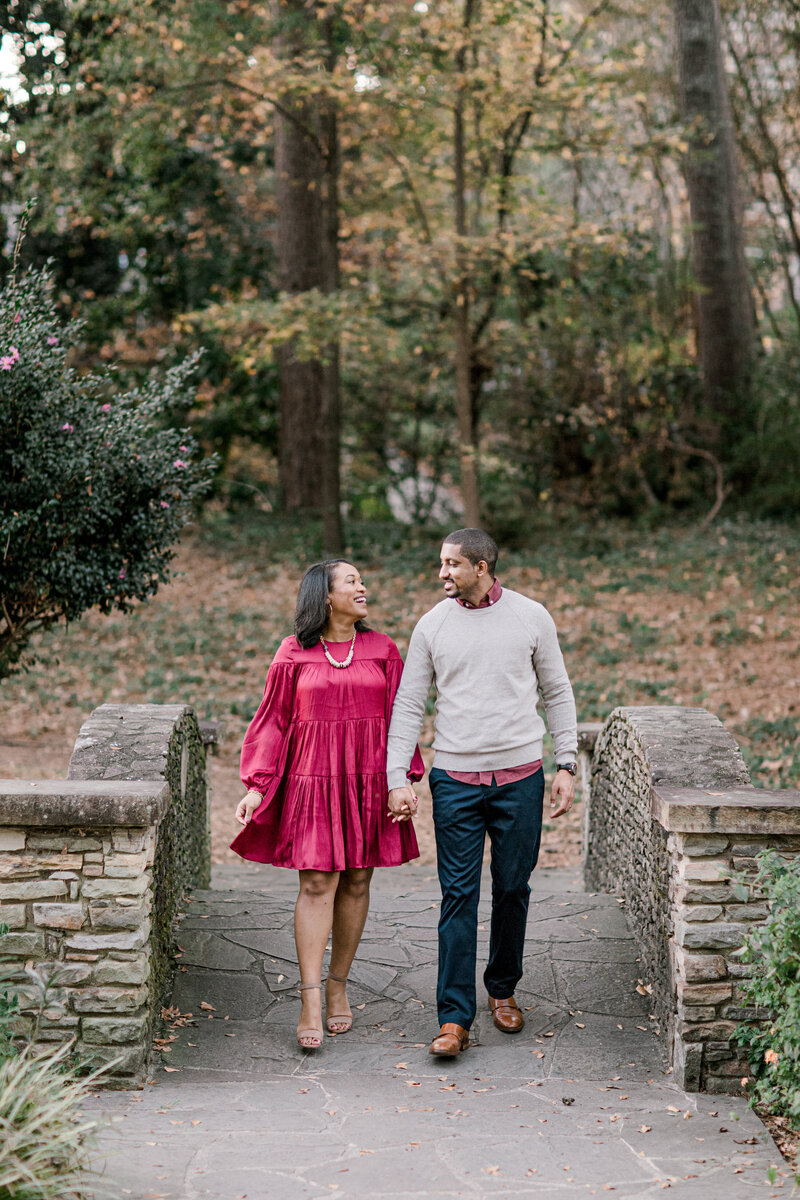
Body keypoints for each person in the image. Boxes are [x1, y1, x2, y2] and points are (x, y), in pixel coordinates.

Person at [386, 528, 577, 1058]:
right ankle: (453, 1018)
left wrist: (566, 763)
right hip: (455, 780)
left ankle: (502, 988)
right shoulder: (432, 625)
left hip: (519, 777)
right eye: (442, 563)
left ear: (483, 566)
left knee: (513, 888)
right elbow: (408, 705)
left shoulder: (530, 616)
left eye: (452, 564)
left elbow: (557, 691)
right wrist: (396, 777)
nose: (442, 573)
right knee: (458, 896)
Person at [232, 560, 423, 1050]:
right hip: (313, 781)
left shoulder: (382, 648)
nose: (363, 588)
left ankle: (339, 984)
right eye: (352, 582)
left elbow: (401, 720)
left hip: (367, 781)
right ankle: (310, 997)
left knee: (358, 878)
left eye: (361, 581)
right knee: (318, 881)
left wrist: (401, 779)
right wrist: (257, 785)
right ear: (325, 596)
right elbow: (272, 721)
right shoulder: (293, 652)